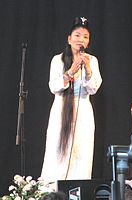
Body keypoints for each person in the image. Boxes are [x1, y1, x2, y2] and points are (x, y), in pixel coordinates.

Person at [41, 16, 102, 183]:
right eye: (77, 35)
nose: (80, 39)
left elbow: (93, 88)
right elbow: (53, 87)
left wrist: (87, 68)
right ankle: (52, 191)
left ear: (88, 42)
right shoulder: (57, 59)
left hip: (83, 112)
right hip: (61, 110)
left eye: (85, 36)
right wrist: (71, 71)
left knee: (81, 154)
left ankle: (78, 192)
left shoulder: (93, 60)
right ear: (69, 39)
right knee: (57, 152)